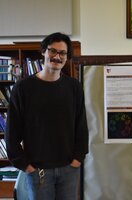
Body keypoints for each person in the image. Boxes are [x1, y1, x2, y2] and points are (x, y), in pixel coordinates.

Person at [5, 32, 89, 200]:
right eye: (52, 51)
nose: (57, 57)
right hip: (37, 171)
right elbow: (11, 133)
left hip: (69, 169)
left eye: (62, 53)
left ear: (67, 57)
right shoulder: (23, 88)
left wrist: (77, 160)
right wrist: (26, 166)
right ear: (43, 51)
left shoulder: (74, 87)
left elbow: (81, 127)